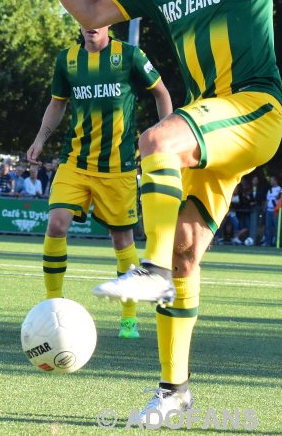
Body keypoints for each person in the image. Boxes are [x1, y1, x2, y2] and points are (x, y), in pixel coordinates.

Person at [12, 0, 282, 418]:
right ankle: (173, 391)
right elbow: (91, 13)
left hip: (255, 109)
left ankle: (151, 268)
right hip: (208, 133)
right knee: (187, 254)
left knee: (156, 139)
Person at [27, 24, 171, 340]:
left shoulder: (130, 56)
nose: (91, 24)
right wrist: (40, 139)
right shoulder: (68, 60)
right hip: (75, 162)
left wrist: (163, 138)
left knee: (122, 242)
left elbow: (161, 92)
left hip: (118, 169)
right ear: (78, 22)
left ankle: (129, 320)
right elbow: (57, 103)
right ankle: (52, 304)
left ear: (108, 22)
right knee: (56, 225)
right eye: (84, 18)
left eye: (99, 18)